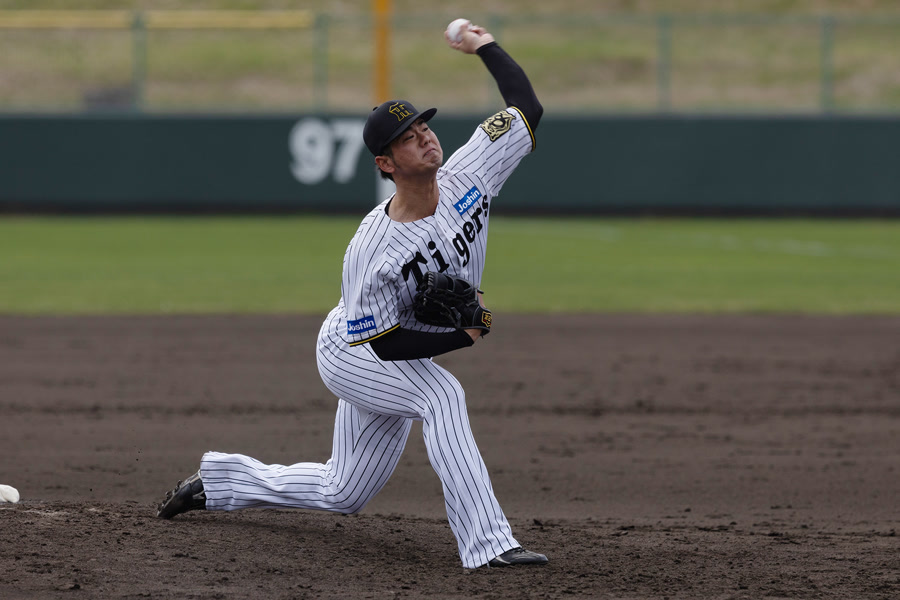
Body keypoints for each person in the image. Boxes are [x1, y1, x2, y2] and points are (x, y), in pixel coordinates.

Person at [157, 22, 545, 569]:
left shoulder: (470, 174)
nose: (425, 137)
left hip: (398, 347)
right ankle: (488, 545)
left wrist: (484, 46)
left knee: (344, 491)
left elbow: (526, 107)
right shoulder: (373, 247)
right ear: (386, 163)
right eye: (408, 137)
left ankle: (221, 482)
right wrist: (465, 334)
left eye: (424, 127)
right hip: (354, 351)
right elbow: (383, 345)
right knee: (442, 397)